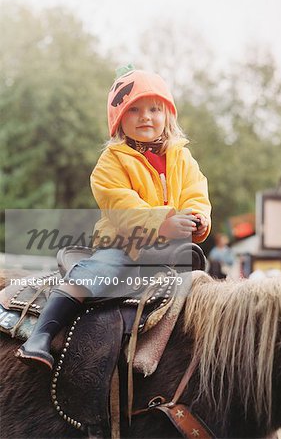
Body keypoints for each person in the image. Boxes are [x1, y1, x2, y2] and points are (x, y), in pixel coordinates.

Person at [15, 65, 211, 371]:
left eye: (155, 109)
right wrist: (163, 221)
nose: (146, 117)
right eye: (135, 110)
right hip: (123, 243)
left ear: (168, 116)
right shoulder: (112, 161)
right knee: (95, 275)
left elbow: (195, 191)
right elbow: (120, 204)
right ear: (119, 119)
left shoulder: (182, 158)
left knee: (200, 286)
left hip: (169, 248)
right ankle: (40, 336)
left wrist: (198, 217)